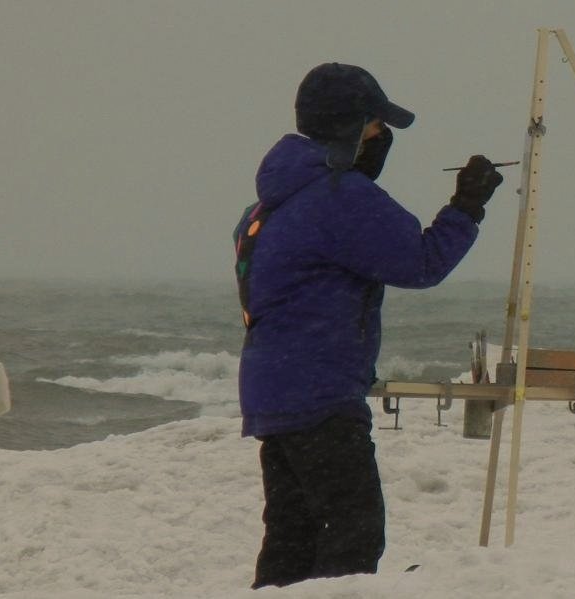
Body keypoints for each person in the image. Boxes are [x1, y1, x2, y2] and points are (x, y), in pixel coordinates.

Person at [233, 62, 504, 589]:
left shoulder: (266, 205)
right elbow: (420, 263)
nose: (382, 140)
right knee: (351, 536)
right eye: (378, 128)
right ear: (351, 127)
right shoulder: (338, 197)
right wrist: (467, 206)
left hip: (272, 393)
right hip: (321, 396)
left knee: (292, 539)